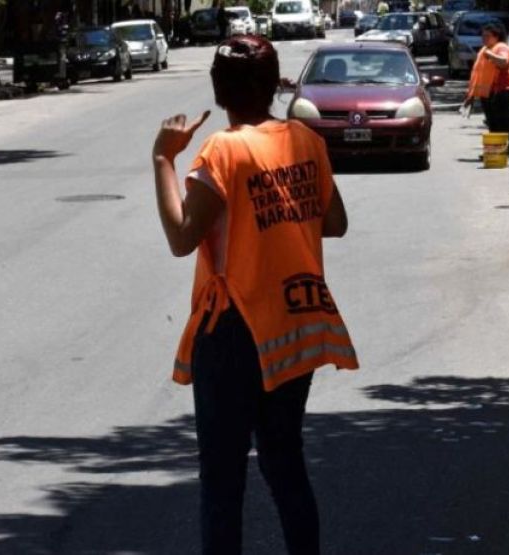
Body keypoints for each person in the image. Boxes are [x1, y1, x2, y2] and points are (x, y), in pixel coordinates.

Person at [150, 35, 359, 555]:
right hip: (294, 323)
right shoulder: (306, 141)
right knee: (285, 463)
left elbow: (182, 238)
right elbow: (334, 223)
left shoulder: (223, 149)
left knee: (222, 481)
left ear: (220, 92)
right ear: (272, 86)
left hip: (234, 332)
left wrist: (162, 159)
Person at [463, 22, 509, 154]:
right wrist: (470, 95)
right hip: (488, 93)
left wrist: (491, 55)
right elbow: (478, 74)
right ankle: (495, 151)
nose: (484, 39)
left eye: (487, 36)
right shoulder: (484, 50)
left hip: (502, 91)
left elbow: (504, 61)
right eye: (483, 36)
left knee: (501, 122)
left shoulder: (501, 47)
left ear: (496, 36)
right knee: (492, 123)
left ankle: (507, 150)